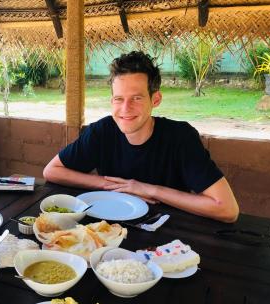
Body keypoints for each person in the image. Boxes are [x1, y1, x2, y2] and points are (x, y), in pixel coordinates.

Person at [43, 51, 239, 223]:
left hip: (168, 237)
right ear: (112, 101)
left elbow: (227, 209)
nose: (125, 109)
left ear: (155, 99)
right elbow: (52, 171)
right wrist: (112, 185)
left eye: (136, 98)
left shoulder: (180, 137)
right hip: (108, 231)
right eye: (119, 99)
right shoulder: (102, 131)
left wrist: (150, 190)